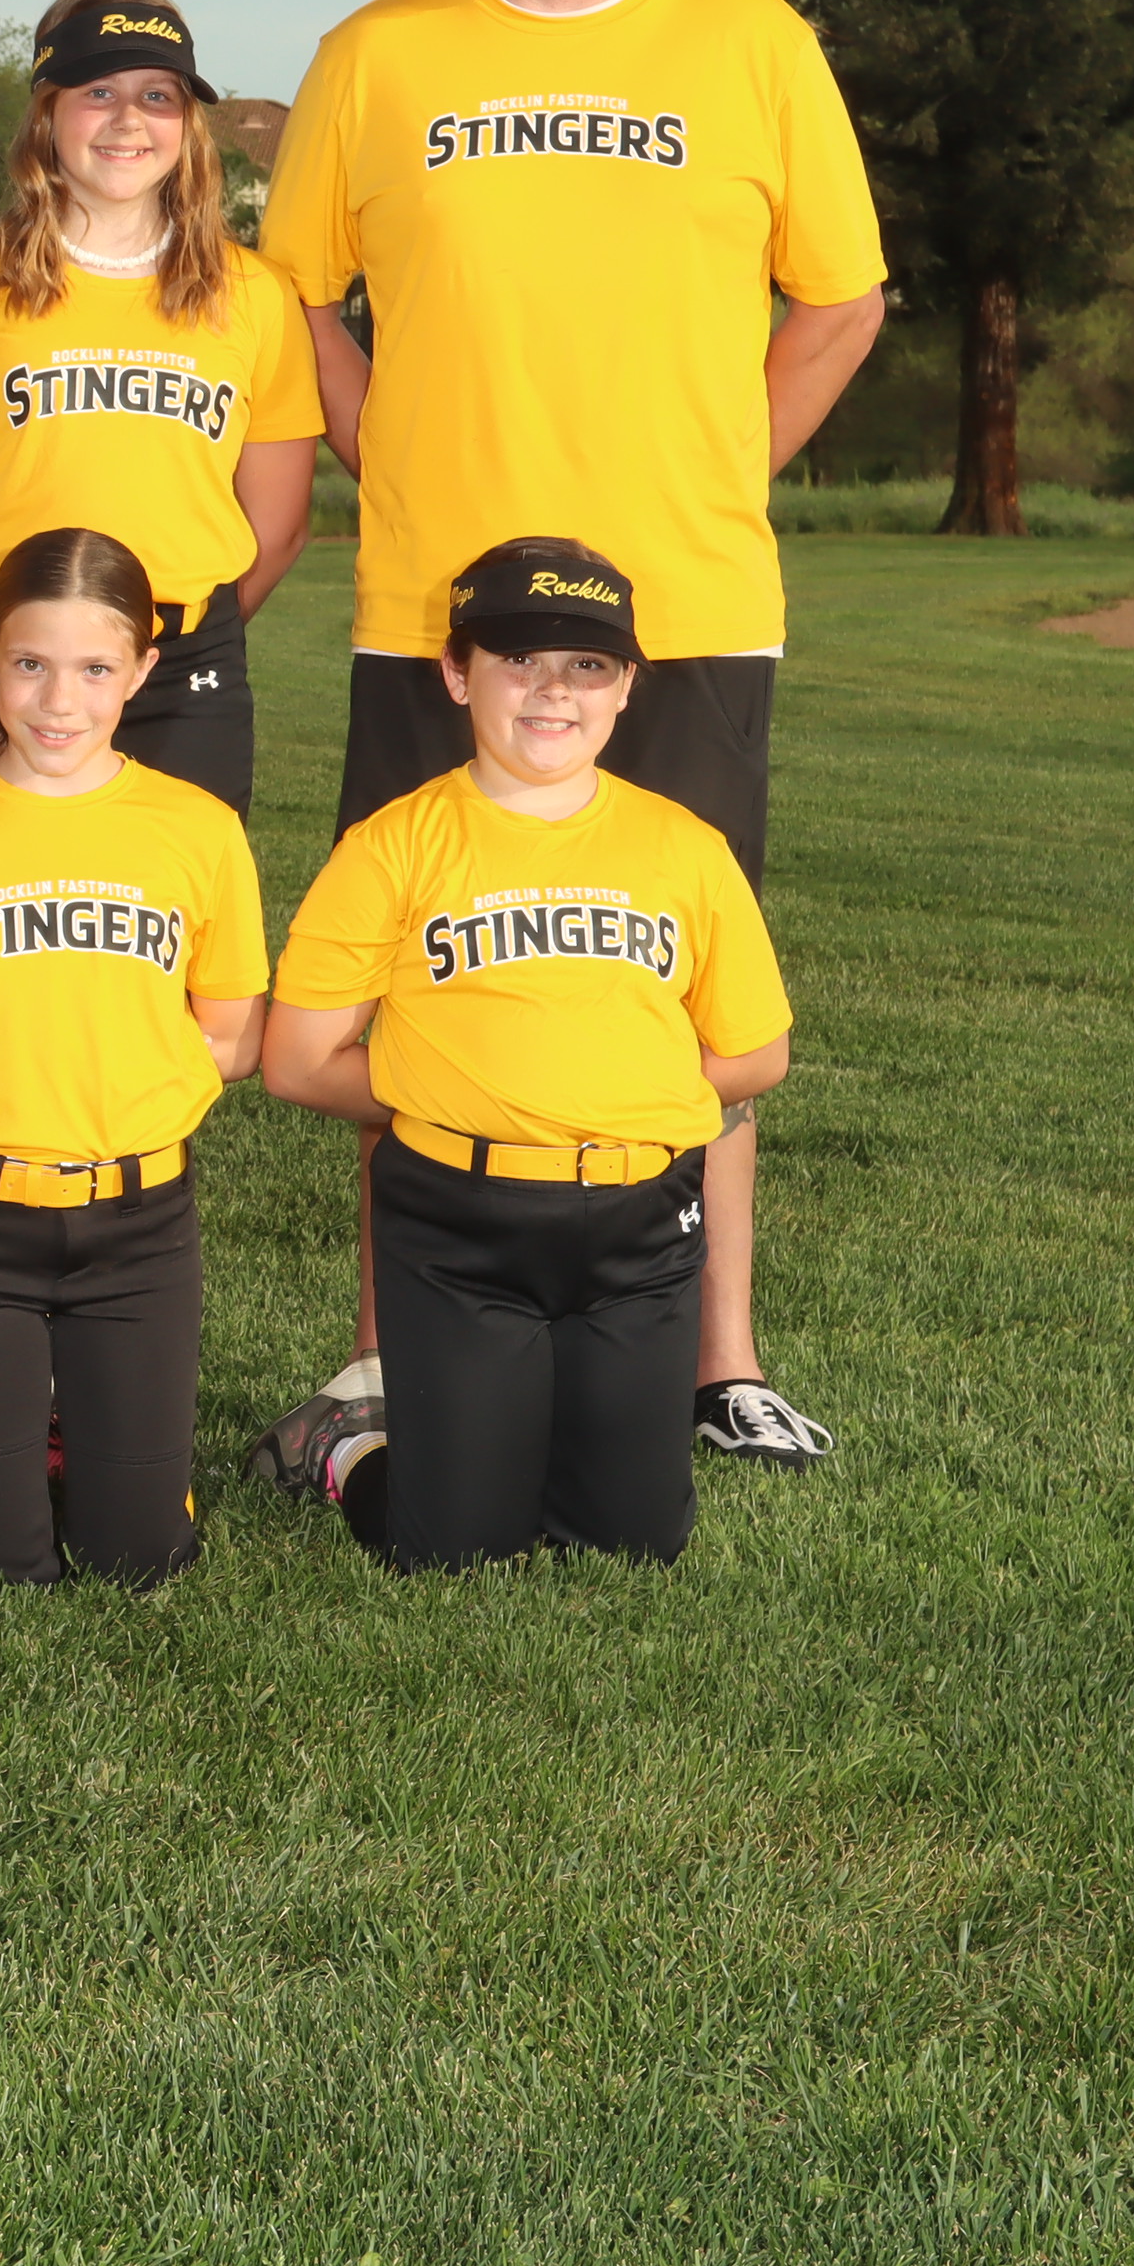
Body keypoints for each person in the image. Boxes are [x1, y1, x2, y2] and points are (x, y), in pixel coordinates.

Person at [252, 0, 885, 1481]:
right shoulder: (375, 55)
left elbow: (842, 300)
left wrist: (722, 468)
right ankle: (393, 1354)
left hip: (683, 603)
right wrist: (389, 456)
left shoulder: (750, 39)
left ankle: (717, 1360)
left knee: (679, 980)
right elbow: (294, 303)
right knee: (415, 974)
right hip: (435, 608)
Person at [259, 540, 793, 1570]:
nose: (554, 691)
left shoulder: (686, 847)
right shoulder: (393, 844)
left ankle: (533, 1433)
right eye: (518, 660)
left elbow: (758, 1051)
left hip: (639, 1223)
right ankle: (347, 1447)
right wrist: (473, 1093)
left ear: (627, 686)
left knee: (634, 1541)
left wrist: (614, 1096)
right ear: (457, 673)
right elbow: (296, 1060)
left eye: (587, 665)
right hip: (460, 1224)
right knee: (455, 1547)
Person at [0, 527, 268, 1588]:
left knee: (139, 1559)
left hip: (138, 1223)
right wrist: (11, 1086)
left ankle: (86, 1434)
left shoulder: (197, 829)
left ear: (143, 670)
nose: (59, 700)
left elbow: (230, 1036)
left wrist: (112, 1084)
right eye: (31, 663)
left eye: (94, 669)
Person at [0, 0, 322, 815]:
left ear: (187, 124)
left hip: (179, 671)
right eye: (99, 93)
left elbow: (279, 527)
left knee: (172, 896)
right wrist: (17, 648)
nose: (128, 121)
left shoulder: (257, 295)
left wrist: (141, 655)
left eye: (158, 96)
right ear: (48, 115)